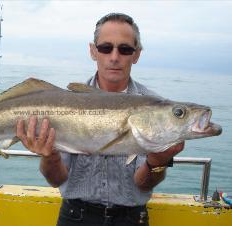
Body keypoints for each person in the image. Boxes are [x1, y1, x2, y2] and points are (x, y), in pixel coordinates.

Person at [16, 13, 184, 226]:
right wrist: (50, 156)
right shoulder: (65, 103)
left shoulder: (155, 108)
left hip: (131, 219)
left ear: (137, 54)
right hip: (75, 216)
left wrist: (157, 164)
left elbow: (142, 184)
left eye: (125, 49)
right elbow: (56, 180)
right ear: (93, 51)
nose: (114, 57)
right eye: (106, 48)